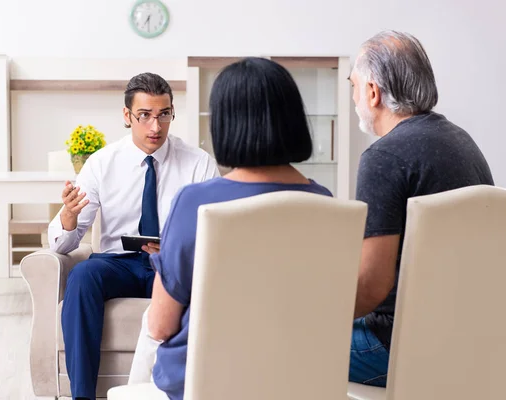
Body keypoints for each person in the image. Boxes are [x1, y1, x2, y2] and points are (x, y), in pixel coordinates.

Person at [130, 57, 334, 399]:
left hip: (205, 383)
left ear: (225, 124)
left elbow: (161, 326)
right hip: (297, 381)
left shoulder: (195, 201)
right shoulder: (325, 202)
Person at [47, 72, 220, 400]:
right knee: (84, 274)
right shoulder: (102, 163)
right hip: (120, 264)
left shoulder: (198, 164)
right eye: (145, 116)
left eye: (163, 115)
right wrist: (68, 217)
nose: (155, 127)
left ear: (171, 113)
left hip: (174, 266)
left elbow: (218, 231)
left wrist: (177, 247)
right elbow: (62, 243)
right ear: (127, 116)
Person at [348, 30, 494, 386]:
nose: (353, 97)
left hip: (397, 345)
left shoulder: (383, 157)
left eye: (352, 86)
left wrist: (315, 311)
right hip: (470, 341)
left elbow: (372, 285)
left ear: (372, 92)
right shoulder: (462, 142)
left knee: (287, 341)